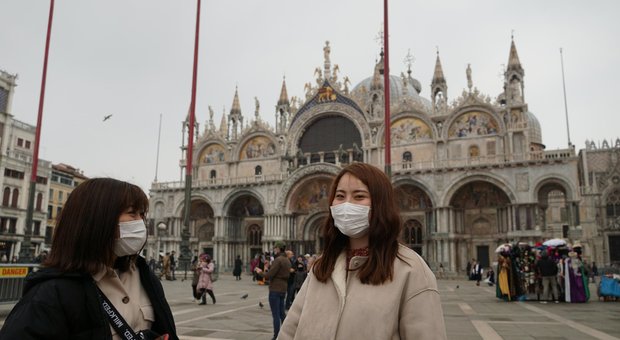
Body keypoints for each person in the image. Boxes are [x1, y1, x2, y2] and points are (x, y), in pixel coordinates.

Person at [279, 163, 446, 339]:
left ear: (380, 204)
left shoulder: (411, 270)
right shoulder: (323, 266)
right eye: (340, 196)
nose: (346, 204)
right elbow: (290, 329)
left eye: (359, 196)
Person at [0, 178, 177, 339]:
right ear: (99, 219)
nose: (141, 223)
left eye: (142, 215)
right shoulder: (51, 294)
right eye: (132, 213)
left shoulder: (145, 277)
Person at [255, 242, 291, 340]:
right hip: (283, 289)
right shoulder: (287, 260)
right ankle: (288, 333)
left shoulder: (278, 260)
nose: (274, 250)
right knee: (282, 313)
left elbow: (268, 276)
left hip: (275, 289)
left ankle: (276, 336)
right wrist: (268, 268)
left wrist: (260, 272)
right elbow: (277, 272)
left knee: (275, 315)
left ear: (279, 249)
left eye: (275, 248)